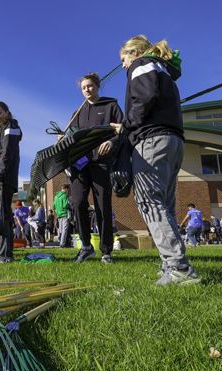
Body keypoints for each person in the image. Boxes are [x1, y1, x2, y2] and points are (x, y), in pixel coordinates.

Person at [110, 35, 200, 285]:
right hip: (173, 141)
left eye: (123, 59)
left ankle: (179, 268)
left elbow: (144, 98)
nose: (123, 66)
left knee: (150, 202)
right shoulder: (161, 68)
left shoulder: (141, 65)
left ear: (136, 52)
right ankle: (169, 264)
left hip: (152, 141)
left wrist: (126, 126)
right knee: (165, 205)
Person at [67, 72, 123, 265]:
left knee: (103, 206)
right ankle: (86, 247)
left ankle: (106, 251)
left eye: (90, 86)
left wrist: (112, 141)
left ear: (98, 86)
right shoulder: (77, 113)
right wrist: (62, 140)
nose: (87, 90)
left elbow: (122, 131)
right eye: (84, 88)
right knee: (78, 203)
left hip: (101, 162)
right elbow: (71, 139)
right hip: (79, 165)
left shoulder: (111, 106)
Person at [0, 101, 22, 264]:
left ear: (7, 112)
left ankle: (4, 255)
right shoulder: (1, 130)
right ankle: (7, 254)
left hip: (4, 178)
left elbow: (6, 154)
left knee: (2, 216)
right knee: (4, 215)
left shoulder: (10, 128)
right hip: (1, 178)